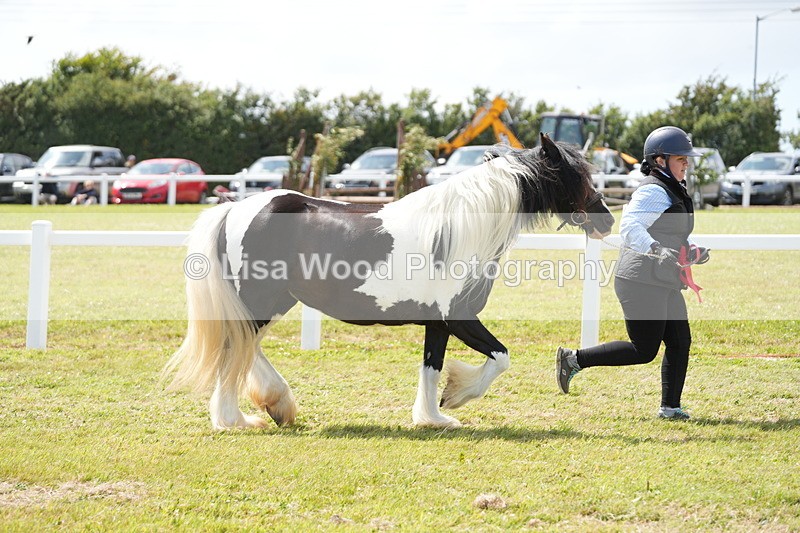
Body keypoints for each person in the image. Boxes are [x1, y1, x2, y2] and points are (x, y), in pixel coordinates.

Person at [556, 126, 710, 420]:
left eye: (687, 158)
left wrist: (691, 249)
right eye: (681, 158)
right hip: (640, 280)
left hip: (661, 279)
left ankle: (670, 408)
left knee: (680, 341)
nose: (686, 163)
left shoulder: (674, 188)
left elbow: (670, 233)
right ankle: (573, 359)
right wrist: (655, 249)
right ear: (660, 161)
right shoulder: (653, 189)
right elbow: (630, 228)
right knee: (644, 349)